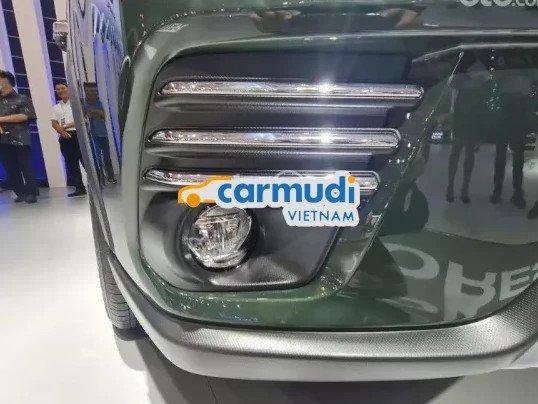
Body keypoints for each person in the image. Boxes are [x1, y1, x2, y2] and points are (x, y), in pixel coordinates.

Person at [0, 70, 38, 204]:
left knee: (25, 166)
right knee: (10, 167)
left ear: (7, 82)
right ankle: (20, 193)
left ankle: (32, 193)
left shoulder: (22, 99)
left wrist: (2, 119)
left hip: (20, 138)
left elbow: (25, 116)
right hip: (2, 140)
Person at [52, 83, 86, 197]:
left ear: (68, 89)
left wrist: (64, 127)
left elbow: (80, 119)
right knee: (71, 163)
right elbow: (54, 123)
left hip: (78, 134)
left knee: (85, 161)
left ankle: (97, 185)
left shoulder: (77, 104)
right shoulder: (56, 107)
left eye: (63, 88)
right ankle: (79, 188)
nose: (60, 91)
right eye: (58, 89)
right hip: (65, 137)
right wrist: (61, 131)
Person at [83, 82, 116, 184]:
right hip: (91, 135)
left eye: (93, 91)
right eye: (88, 91)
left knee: (106, 156)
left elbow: (103, 115)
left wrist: (93, 113)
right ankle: (99, 178)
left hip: (103, 133)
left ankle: (110, 176)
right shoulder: (83, 104)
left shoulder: (99, 103)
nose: (91, 93)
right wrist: (96, 114)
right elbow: (86, 116)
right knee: (95, 158)